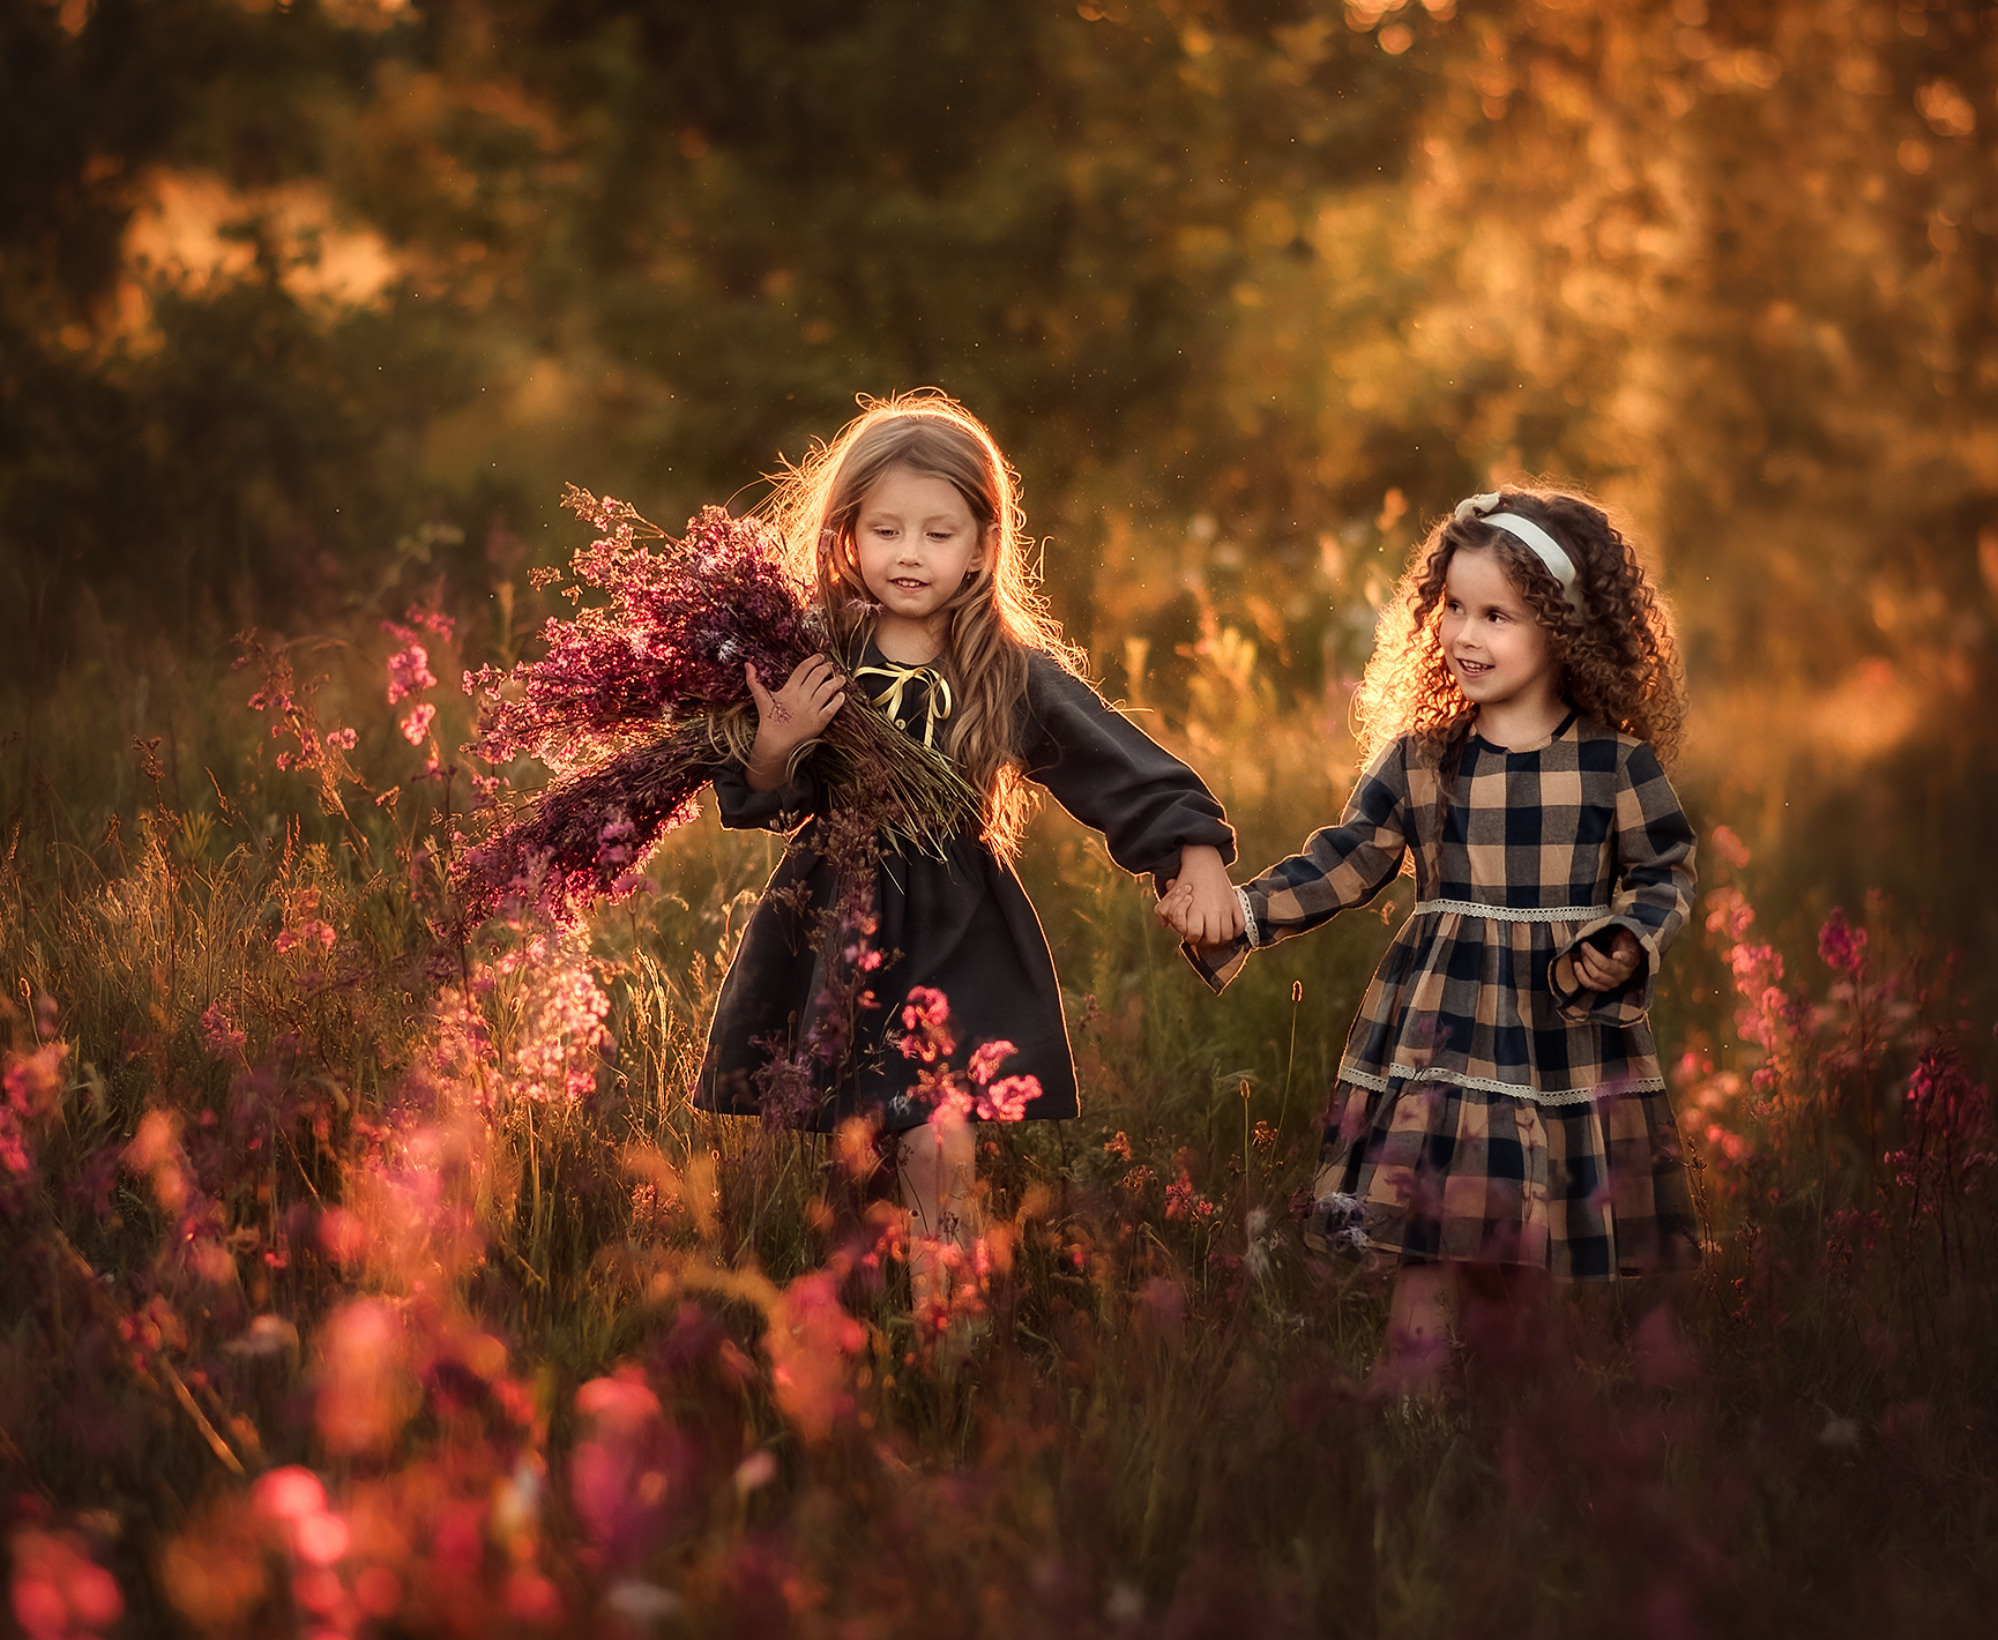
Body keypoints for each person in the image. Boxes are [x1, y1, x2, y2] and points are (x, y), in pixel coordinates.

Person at [696, 392, 1242, 1297]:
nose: (910, 553)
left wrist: (1193, 850)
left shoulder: (1004, 668)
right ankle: (870, 1345)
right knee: (858, 1150)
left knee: (936, 1135)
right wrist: (776, 742)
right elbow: (754, 799)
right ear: (846, 537)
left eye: (938, 533)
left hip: (957, 929)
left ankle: (952, 1337)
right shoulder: (812, 649)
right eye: (887, 530)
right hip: (834, 917)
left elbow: (1117, 765)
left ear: (983, 547)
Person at [1157, 487, 1699, 1396]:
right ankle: (1407, 1416)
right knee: (1427, 1229)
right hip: (1441, 1029)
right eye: (1453, 606)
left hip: (1558, 1032)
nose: (1464, 633)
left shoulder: (1616, 764)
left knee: (1530, 1234)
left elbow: (1666, 875)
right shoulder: (1424, 758)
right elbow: (1347, 862)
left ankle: (1515, 1424)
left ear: (1564, 631)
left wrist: (1628, 941)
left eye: (1497, 614)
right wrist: (1243, 914)